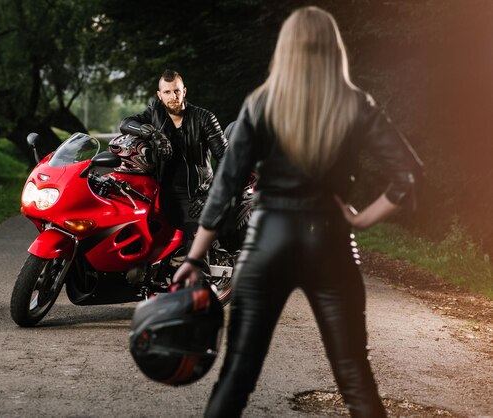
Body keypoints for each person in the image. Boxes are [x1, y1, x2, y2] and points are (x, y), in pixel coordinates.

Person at [173, 6, 423, 418]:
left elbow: (225, 188)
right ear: (333, 49)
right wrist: (361, 219)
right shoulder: (355, 103)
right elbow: (409, 175)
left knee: (236, 378)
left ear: (285, 49)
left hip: (268, 238)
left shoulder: (261, 103)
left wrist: (196, 256)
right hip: (331, 242)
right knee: (356, 382)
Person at [119, 69, 227, 246]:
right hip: (161, 193)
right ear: (159, 95)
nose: (173, 96)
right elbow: (125, 123)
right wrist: (153, 133)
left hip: (194, 196)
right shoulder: (155, 114)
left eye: (176, 91)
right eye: (167, 92)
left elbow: (227, 160)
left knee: (195, 252)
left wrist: (209, 195)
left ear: (184, 91)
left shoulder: (204, 118)